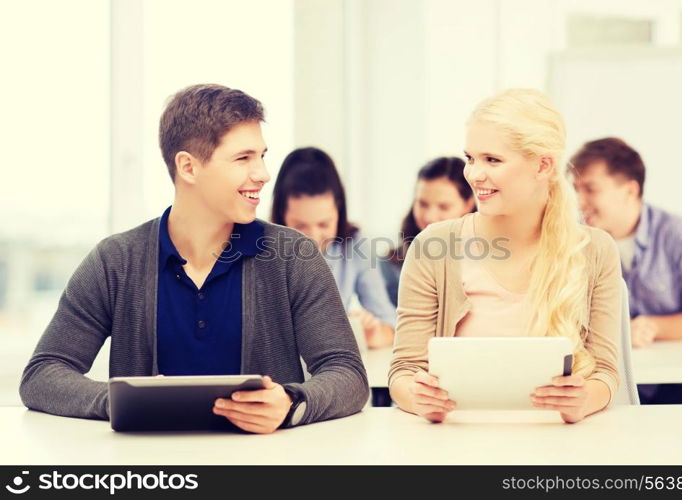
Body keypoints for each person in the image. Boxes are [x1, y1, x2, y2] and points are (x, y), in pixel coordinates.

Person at [19, 84, 369, 433]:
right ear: (188, 167)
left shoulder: (294, 256)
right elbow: (43, 373)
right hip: (149, 473)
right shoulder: (116, 261)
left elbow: (348, 376)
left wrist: (291, 403)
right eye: (243, 158)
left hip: (265, 470)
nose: (263, 174)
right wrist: (120, 401)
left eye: (262, 156)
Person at [389, 88, 622, 424]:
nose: (474, 174)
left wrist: (585, 399)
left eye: (492, 160)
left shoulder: (595, 250)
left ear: (543, 166)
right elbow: (403, 372)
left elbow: (606, 374)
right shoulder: (433, 246)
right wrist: (417, 396)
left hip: (558, 445)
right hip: (458, 442)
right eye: (470, 158)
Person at [570, 137, 682, 404]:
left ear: (630, 190)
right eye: (576, 189)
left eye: (590, 189)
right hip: (607, 379)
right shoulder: (575, 241)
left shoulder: (677, 234)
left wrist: (651, 326)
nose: (580, 201)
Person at [271, 147, 396, 349]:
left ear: (339, 212)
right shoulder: (260, 249)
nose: (311, 238)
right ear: (280, 215)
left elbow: (391, 323)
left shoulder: (355, 247)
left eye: (323, 224)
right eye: (300, 226)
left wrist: (374, 333)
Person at [380, 157, 476, 307]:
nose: (429, 217)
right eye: (422, 204)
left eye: (443, 207)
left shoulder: (485, 261)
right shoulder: (390, 265)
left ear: (468, 204)